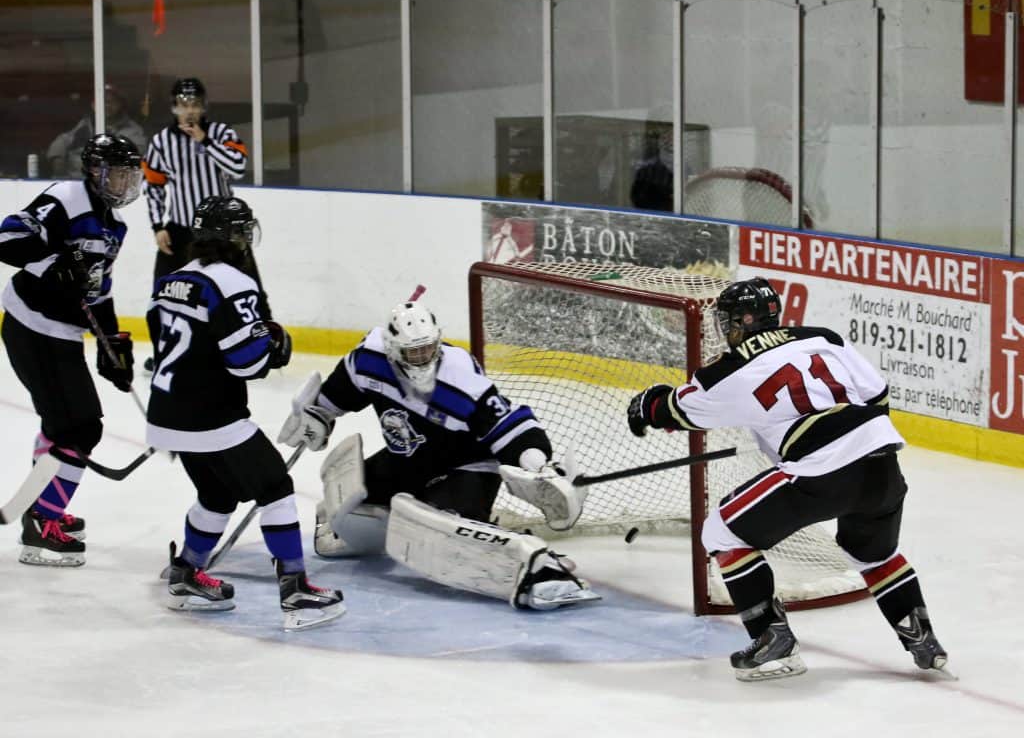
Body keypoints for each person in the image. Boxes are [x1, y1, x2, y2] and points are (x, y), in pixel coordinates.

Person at [627, 277, 948, 681]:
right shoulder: (823, 338)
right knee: (873, 554)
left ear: (741, 322)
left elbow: (678, 411)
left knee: (722, 532)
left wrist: (645, 406)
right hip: (882, 462)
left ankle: (772, 639)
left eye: (728, 321)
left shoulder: (730, 368)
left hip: (820, 472)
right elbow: (878, 395)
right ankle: (924, 640)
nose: (725, 329)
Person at [277, 300, 600, 611]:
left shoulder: (460, 381)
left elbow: (511, 427)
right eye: (412, 352)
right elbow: (338, 394)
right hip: (410, 456)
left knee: (449, 532)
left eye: (428, 349)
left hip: (468, 462)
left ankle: (540, 566)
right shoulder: (369, 361)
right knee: (354, 506)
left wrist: (539, 464)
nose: (422, 359)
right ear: (392, 350)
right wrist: (319, 414)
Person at [145, 195, 344, 631]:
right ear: (235, 237)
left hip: (165, 412)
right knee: (274, 485)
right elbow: (246, 363)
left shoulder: (172, 279)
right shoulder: (233, 283)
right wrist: (275, 347)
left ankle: (188, 573)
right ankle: (296, 589)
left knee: (218, 493)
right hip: (211, 415)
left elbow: (161, 335)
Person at [0, 133, 142, 566]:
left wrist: (112, 344)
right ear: (95, 171)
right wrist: (52, 266)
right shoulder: (66, 198)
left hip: (59, 333)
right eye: (115, 173)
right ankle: (43, 522)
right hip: (31, 326)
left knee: (65, 424)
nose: (123, 183)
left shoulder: (114, 226)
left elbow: (96, 292)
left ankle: (42, 507)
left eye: (128, 174)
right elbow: (7, 238)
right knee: (81, 428)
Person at [142, 77, 247, 288]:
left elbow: (238, 167)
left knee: (241, 288)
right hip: (181, 231)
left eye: (195, 105)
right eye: (184, 105)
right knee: (164, 291)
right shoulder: (161, 142)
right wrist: (157, 227)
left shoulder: (222, 133)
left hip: (223, 229)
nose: (190, 111)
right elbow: (154, 186)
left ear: (203, 106)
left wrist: (205, 141)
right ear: (175, 108)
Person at [46, 84, 147, 178]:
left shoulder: (131, 128)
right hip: (76, 179)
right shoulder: (85, 124)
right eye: (102, 101)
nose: (107, 105)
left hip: (110, 184)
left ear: (120, 105)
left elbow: (136, 152)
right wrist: (57, 158)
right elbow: (64, 140)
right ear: (93, 105)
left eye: (111, 102)